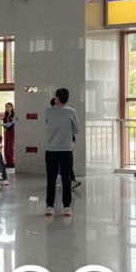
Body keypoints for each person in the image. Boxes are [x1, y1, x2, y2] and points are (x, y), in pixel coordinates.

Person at [45, 88, 79, 217]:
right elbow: (76, 129)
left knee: (51, 179)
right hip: (66, 150)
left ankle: (49, 206)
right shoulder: (72, 112)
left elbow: (47, 123)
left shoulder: (48, 111)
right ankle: (67, 207)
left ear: (57, 98)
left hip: (51, 149)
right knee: (66, 179)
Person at [2, 102, 16, 168]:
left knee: (10, 147)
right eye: (6, 107)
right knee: (6, 146)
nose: (7, 108)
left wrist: (8, 124)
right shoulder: (6, 115)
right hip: (6, 131)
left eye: (8, 107)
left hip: (12, 131)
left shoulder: (14, 115)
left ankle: (12, 162)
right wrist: (8, 124)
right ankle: (7, 162)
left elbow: (13, 123)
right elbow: (4, 124)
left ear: (12, 107)